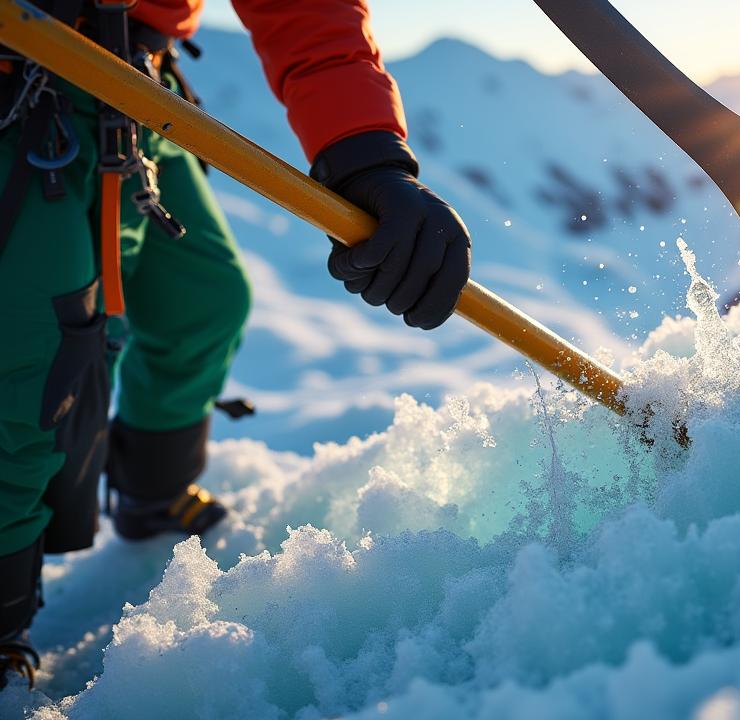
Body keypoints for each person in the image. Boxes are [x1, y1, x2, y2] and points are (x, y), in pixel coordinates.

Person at [0, 0, 471, 690]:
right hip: (23, 76)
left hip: (133, 87)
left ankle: (152, 494)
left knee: (204, 301)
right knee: (26, 363)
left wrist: (366, 154)